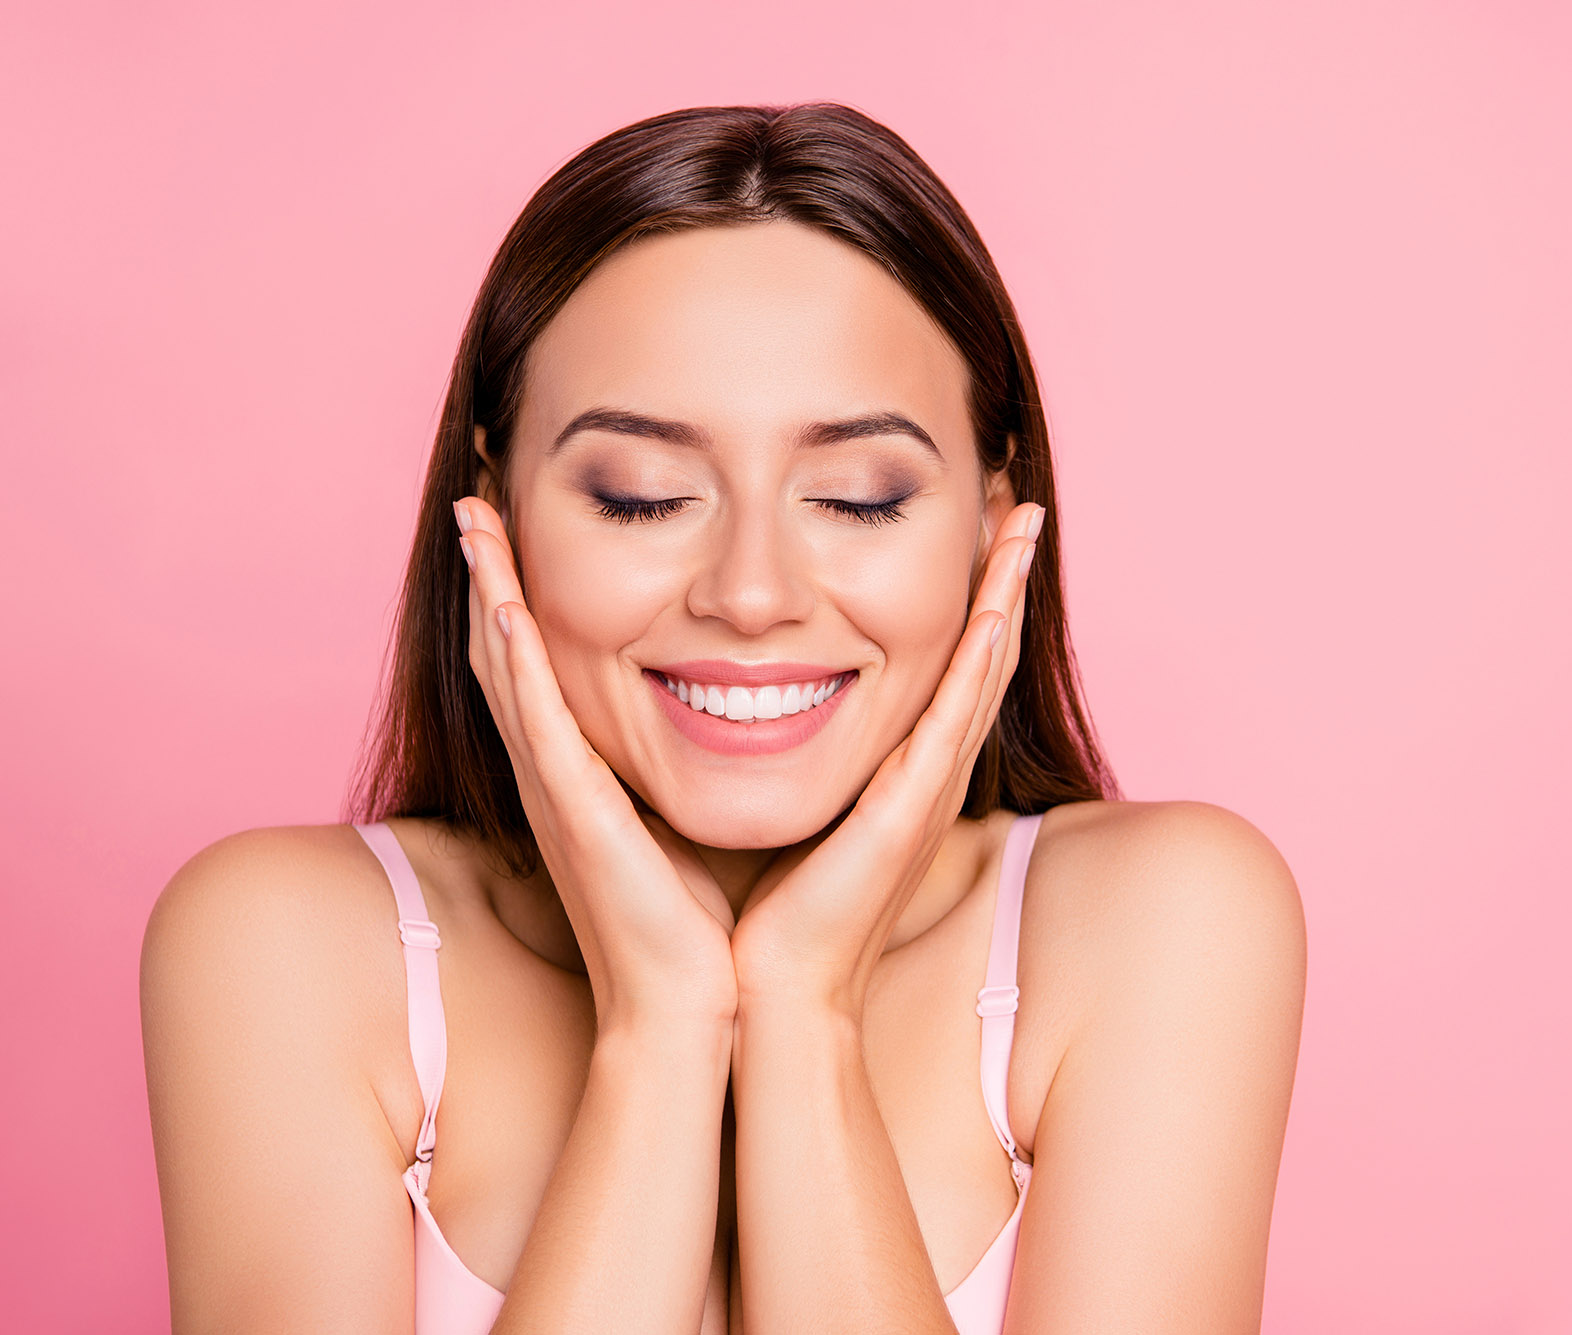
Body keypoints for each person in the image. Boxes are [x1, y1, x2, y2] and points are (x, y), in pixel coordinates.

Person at [141, 101, 1306, 1334]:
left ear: (993, 512)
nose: (750, 595)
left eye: (856, 499)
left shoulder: (1160, 922)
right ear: (495, 505)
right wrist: (659, 1028)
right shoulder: (287, 948)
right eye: (643, 498)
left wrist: (806, 1009)